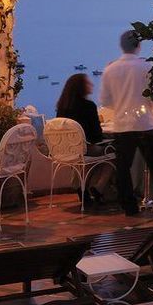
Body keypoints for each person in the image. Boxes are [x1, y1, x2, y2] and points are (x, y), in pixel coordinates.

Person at [100, 30, 153, 217]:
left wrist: (123, 104)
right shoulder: (147, 66)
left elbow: (106, 101)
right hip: (145, 124)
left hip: (122, 125)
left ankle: (129, 207)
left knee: (123, 168)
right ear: (138, 46)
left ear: (121, 46)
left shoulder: (110, 70)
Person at [54, 72, 111, 206]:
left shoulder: (62, 106)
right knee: (114, 154)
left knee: (90, 158)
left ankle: (81, 187)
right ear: (81, 87)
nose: (91, 84)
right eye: (88, 83)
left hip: (66, 150)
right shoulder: (88, 106)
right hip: (84, 149)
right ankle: (98, 188)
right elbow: (96, 135)